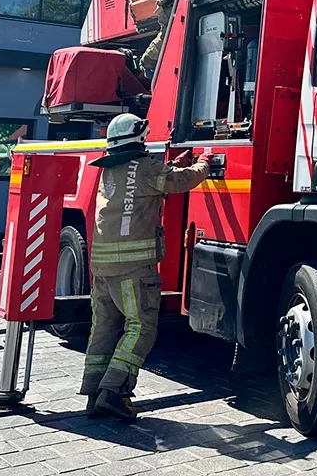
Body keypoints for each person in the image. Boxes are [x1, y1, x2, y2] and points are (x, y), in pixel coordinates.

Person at [81, 114, 210, 420]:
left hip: (102, 266)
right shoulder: (146, 168)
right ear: (139, 140)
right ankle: (113, 392)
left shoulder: (110, 170)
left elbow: (144, 184)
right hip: (134, 268)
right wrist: (204, 162)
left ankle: (94, 393)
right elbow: (180, 182)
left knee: (103, 328)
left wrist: (171, 164)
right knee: (140, 327)